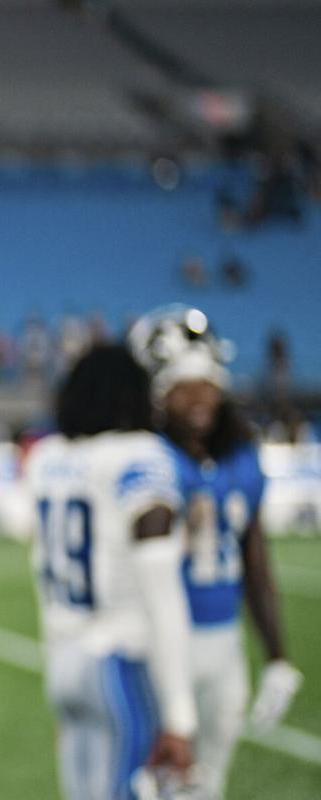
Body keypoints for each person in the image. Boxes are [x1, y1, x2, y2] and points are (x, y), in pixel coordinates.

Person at [129, 305, 302, 800]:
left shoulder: (241, 460)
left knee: (209, 786)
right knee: (155, 784)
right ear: (158, 394)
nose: (199, 395)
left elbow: (256, 562)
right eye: (182, 384)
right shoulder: (148, 461)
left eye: (208, 381)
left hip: (224, 643)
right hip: (159, 643)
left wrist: (277, 657)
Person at [26, 344, 197, 800]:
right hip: (118, 662)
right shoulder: (139, 455)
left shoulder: (46, 457)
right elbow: (162, 591)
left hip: (65, 657)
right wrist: (180, 717)